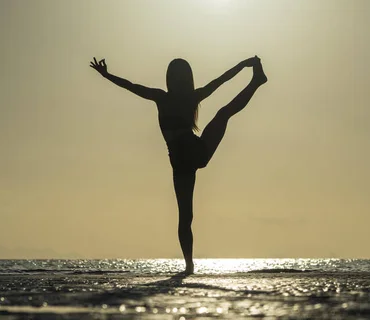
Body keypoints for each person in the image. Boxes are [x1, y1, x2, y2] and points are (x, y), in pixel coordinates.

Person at [90, 55, 267, 274]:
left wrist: (242, 65)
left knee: (223, 114)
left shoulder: (174, 98)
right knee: (185, 217)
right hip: (187, 161)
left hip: (190, 155)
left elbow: (220, 80)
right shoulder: (169, 97)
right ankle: (189, 266)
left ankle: (256, 81)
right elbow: (131, 86)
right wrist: (107, 75)